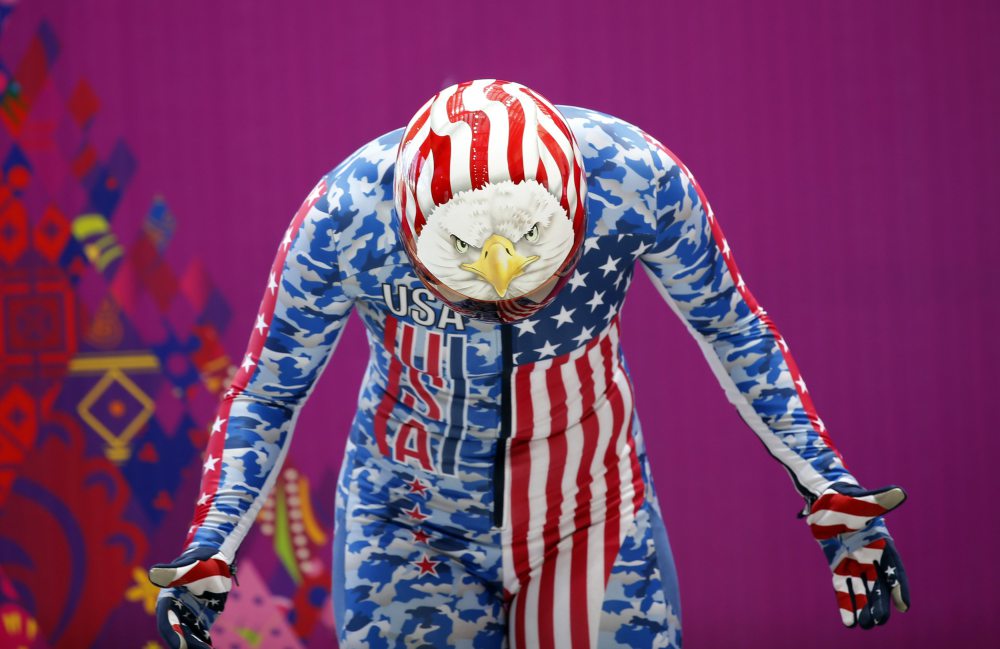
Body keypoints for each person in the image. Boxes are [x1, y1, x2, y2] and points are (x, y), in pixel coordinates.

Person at [148, 79, 909, 649]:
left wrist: (831, 491)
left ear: (578, 208)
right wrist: (212, 541)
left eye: (531, 259)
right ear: (408, 234)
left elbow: (733, 326)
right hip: (410, 526)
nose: (505, 284)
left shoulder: (633, 178)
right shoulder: (345, 216)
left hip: (592, 513)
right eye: (463, 266)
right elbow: (268, 390)